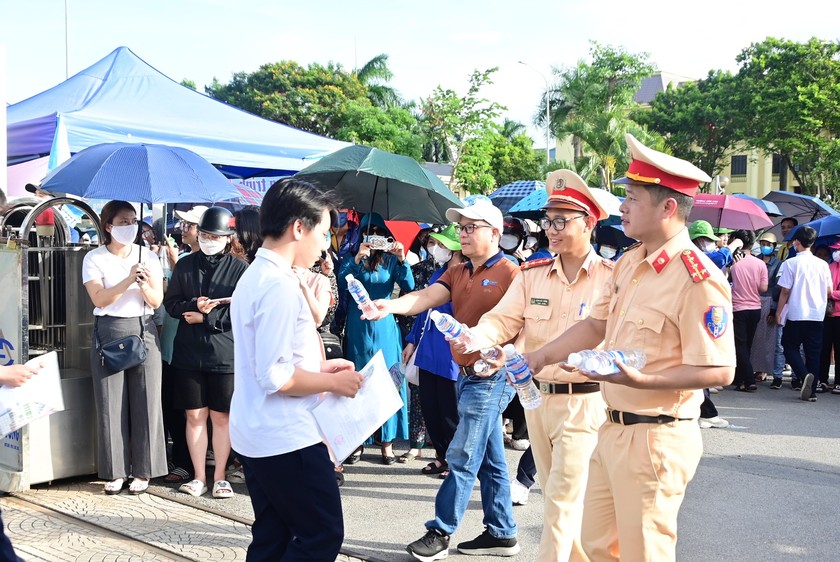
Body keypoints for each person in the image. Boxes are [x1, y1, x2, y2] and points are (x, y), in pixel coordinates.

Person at [525, 134, 735, 562]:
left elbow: (719, 370)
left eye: (633, 197)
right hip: (613, 427)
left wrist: (642, 379)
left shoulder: (698, 278)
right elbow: (595, 325)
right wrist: (538, 357)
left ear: (668, 207)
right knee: (600, 548)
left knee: (643, 554)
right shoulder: (630, 262)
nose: (622, 206)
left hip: (657, 435)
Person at [468, 169, 613, 561]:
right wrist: (478, 338)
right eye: (548, 220)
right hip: (536, 401)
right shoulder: (533, 274)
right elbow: (502, 319)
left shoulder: (611, 280)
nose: (552, 229)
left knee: (564, 498)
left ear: (590, 223)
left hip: (585, 403)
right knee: (557, 499)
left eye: (563, 221)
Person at [370, 200, 521, 560]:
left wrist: (512, 359)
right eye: (462, 228)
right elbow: (425, 297)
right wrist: (387, 306)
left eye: (472, 227)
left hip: (492, 376)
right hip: (465, 374)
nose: (463, 234)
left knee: (464, 451)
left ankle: (440, 530)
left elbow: (527, 321)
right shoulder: (458, 271)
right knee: (489, 458)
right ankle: (502, 533)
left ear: (495, 234)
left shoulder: (513, 272)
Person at [229, 178, 363, 561]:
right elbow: (277, 376)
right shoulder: (278, 285)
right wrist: (333, 383)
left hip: (257, 430)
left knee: (273, 537)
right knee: (320, 536)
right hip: (286, 437)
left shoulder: (258, 276)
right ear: (298, 228)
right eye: (323, 232)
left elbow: (270, 359)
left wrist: (319, 367)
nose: (326, 243)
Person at [82, 200, 167, 495]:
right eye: (123, 222)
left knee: (147, 400)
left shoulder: (149, 257)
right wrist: (127, 278)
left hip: (143, 329)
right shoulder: (94, 258)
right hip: (109, 330)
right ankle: (115, 471)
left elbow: (156, 301)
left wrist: (143, 283)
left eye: (133, 221)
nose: (130, 226)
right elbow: (100, 299)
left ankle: (144, 470)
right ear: (108, 226)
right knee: (110, 403)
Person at [164, 207, 249, 499]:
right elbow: (170, 303)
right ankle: (199, 476)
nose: (209, 240)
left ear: (228, 238)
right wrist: (192, 305)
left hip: (224, 353)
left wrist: (207, 318)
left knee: (221, 417)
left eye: (215, 236)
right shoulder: (185, 265)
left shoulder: (240, 268)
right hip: (188, 352)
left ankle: (221, 475)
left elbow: (243, 312)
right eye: (204, 235)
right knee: (194, 415)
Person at [338, 213, 414, 464]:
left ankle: (388, 441)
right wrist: (357, 259)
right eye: (370, 232)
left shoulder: (392, 261)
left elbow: (409, 286)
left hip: (385, 326)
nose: (376, 237)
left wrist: (402, 258)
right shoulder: (353, 257)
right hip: (359, 328)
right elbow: (341, 283)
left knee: (387, 380)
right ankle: (358, 440)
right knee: (359, 380)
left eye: (380, 233)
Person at [401, 225, 464, 475]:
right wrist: (411, 340)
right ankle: (440, 455)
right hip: (428, 348)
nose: (436, 249)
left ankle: (454, 460)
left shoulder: (465, 277)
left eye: (443, 245)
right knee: (430, 406)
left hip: (450, 352)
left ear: (456, 249)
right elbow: (423, 309)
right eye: (436, 244)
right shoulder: (438, 273)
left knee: (450, 411)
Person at [159, 206, 207, 485]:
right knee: (175, 405)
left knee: (190, 408)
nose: (182, 229)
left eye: (188, 225)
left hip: (192, 347)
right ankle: (181, 459)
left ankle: (187, 462)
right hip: (172, 343)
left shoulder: (195, 263)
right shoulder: (186, 260)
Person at [775, 225, 832, 401]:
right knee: (813, 352)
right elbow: (829, 291)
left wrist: (778, 312)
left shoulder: (790, 263)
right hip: (816, 314)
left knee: (789, 345)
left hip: (796, 312)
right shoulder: (823, 264)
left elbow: (785, 291)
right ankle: (812, 391)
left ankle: (803, 374)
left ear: (796, 242)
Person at [729, 230, 768, 392]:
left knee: (740, 345)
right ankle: (740, 378)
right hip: (755, 309)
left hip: (738, 308)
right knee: (747, 345)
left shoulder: (732, 262)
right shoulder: (760, 264)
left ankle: (748, 380)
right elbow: (763, 288)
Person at [749, 232, 785, 387]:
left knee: (770, 340)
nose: (765, 247)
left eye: (768, 244)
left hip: (769, 301)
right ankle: (753, 368)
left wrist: (773, 309)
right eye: (763, 243)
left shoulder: (778, 264)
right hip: (754, 299)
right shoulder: (755, 261)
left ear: (773, 246)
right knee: (755, 337)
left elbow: (778, 287)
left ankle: (765, 370)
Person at [821, 240, 840, 393]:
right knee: (824, 348)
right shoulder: (829, 267)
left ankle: (838, 381)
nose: (836, 253)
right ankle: (822, 379)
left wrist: (831, 294)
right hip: (827, 313)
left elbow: (828, 291)